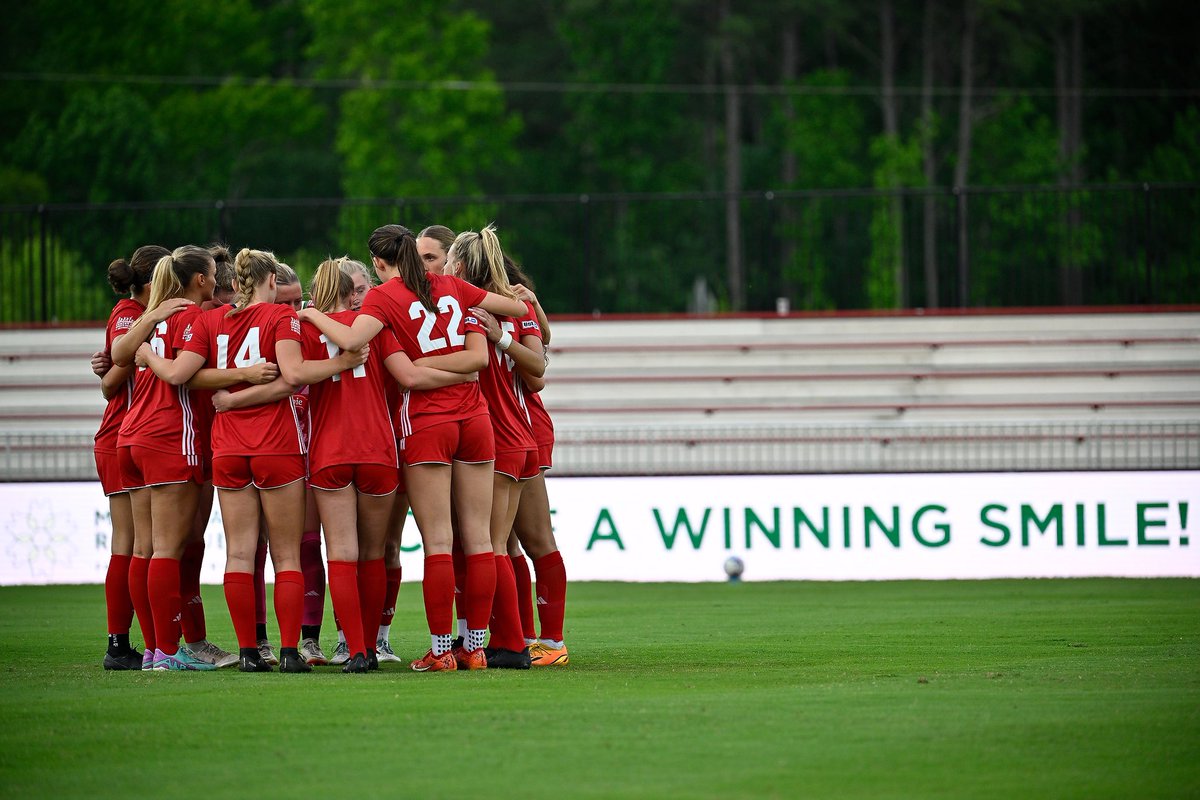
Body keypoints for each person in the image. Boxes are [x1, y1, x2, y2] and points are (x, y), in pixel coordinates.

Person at [299, 223, 527, 672]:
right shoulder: (453, 286)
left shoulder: (384, 298)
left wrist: (310, 315)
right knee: (480, 537)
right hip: (475, 419)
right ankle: (475, 647)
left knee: (439, 540)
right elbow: (512, 312)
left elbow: (357, 346)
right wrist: (461, 369)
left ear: (379, 263)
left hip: (425, 423)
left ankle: (443, 651)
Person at [139, 248, 361, 673]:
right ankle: (291, 652)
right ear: (272, 281)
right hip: (276, 444)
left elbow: (192, 374)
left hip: (228, 447)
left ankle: (246, 652)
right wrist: (341, 361)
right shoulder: (281, 318)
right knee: (287, 555)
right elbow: (293, 376)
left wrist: (232, 389)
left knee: (239, 553)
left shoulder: (212, 320)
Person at [114, 246, 246, 670]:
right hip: (169, 436)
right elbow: (178, 374)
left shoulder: (155, 316)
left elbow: (118, 357)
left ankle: (154, 650)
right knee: (170, 551)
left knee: (145, 551)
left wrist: (149, 330)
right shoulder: (192, 319)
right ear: (202, 281)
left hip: (130, 436)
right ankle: (169, 653)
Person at [443, 227, 546, 669]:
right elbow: (539, 368)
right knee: (501, 545)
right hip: (522, 435)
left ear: (461, 268)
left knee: (491, 546)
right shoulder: (516, 310)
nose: (443, 270)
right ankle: (517, 638)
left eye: (447, 261)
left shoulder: (468, 308)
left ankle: (510, 644)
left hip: (497, 438)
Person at [93, 245, 168, 670]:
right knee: (134, 544)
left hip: (128, 434)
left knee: (140, 544)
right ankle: (121, 644)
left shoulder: (136, 313)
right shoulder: (130, 313)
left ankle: (133, 644)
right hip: (123, 433)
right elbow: (110, 383)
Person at [501, 258, 569, 666]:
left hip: (521, 428)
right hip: (500, 432)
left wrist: (533, 306)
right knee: (504, 544)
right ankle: (522, 637)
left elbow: (537, 371)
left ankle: (552, 641)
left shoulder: (510, 303)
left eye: (433, 257)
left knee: (533, 539)